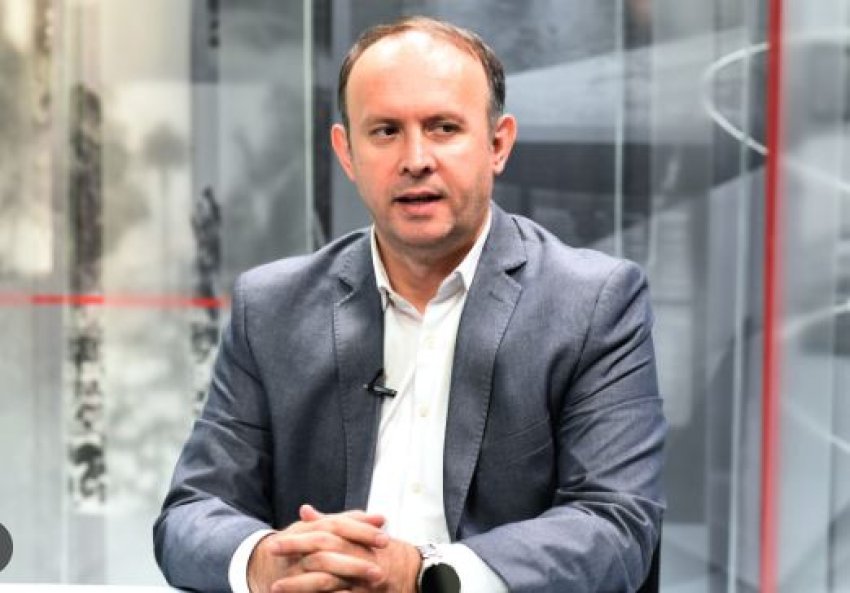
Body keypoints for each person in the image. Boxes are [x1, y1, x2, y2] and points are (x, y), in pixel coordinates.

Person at [154, 15, 666, 593]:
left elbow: (617, 524)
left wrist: (423, 574)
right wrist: (268, 560)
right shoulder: (271, 307)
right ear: (347, 153)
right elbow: (190, 514)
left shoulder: (594, 302)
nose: (416, 158)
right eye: (385, 131)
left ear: (497, 144)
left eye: (444, 128)